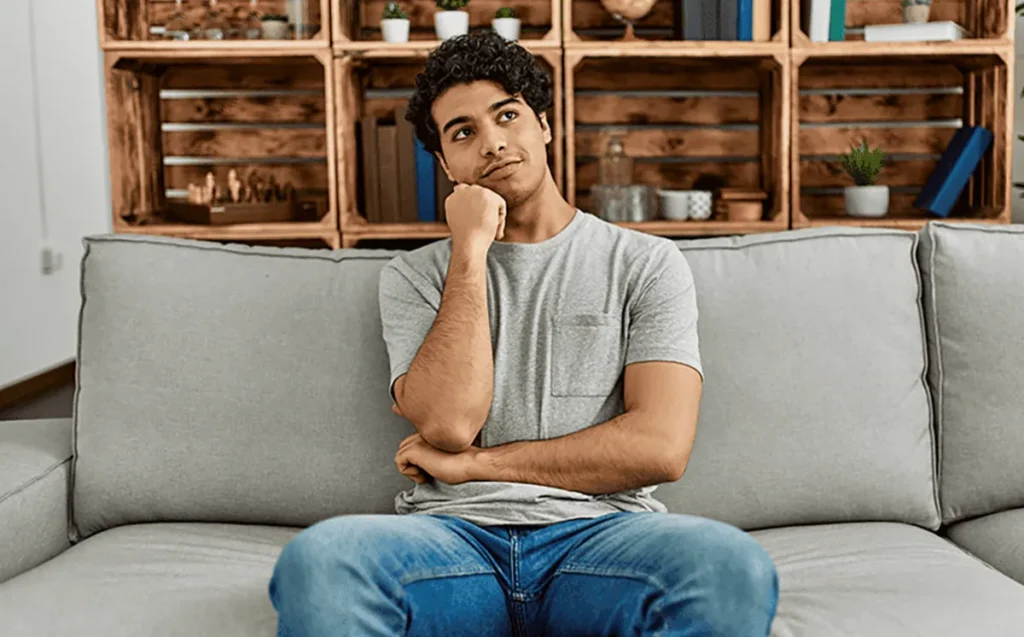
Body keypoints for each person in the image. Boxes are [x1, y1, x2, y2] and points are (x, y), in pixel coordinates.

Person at [268, 30, 779, 637]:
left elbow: (659, 448)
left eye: (506, 115)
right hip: (450, 543)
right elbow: (451, 423)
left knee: (731, 566)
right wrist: (470, 250)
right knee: (322, 559)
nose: (493, 143)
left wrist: (475, 465)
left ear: (543, 125)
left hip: (603, 538)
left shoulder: (647, 264)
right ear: (445, 165)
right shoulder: (413, 276)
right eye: (463, 133)